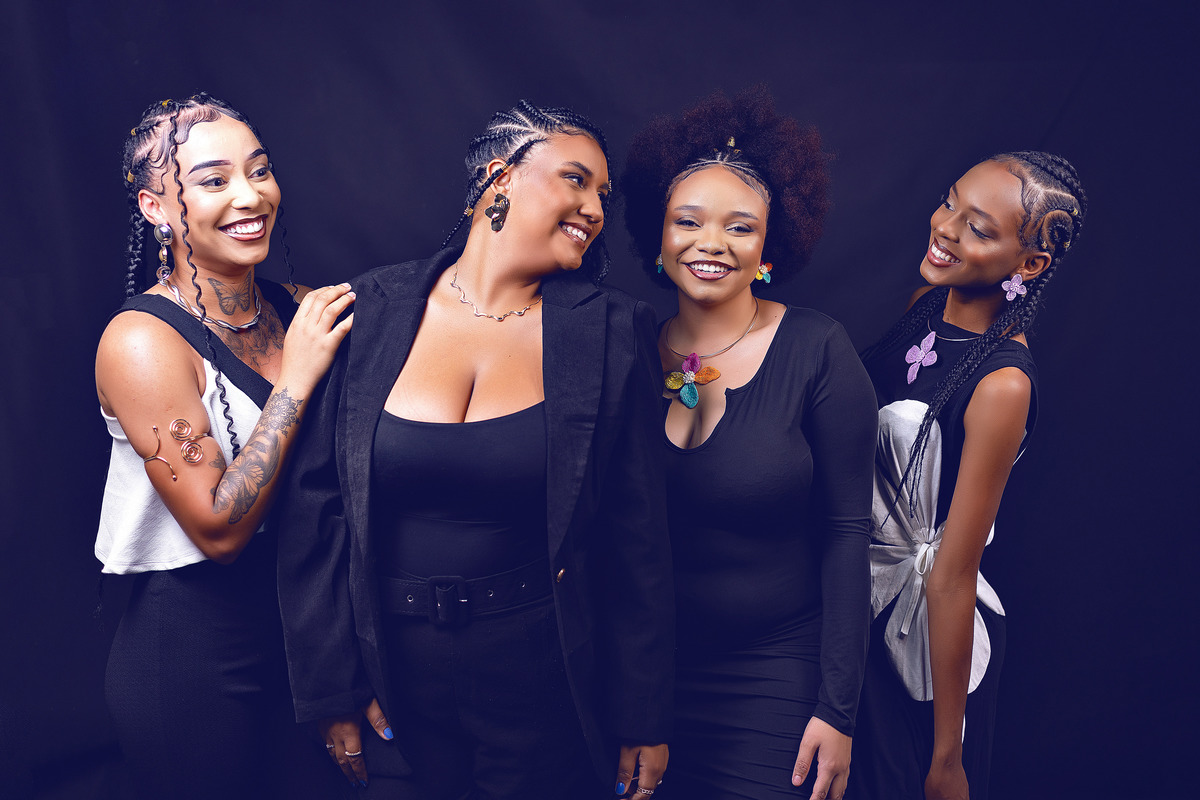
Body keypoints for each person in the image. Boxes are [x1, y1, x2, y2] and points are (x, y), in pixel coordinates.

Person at [276, 100, 674, 799]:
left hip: (540, 679)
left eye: (602, 195)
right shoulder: (371, 309)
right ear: (500, 177)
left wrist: (643, 714)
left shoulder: (611, 331)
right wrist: (330, 688)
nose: (593, 208)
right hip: (391, 682)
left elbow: (636, 535)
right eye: (575, 179)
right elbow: (317, 510)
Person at [621, 86, 877, 800]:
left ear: (769, 245)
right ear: (658, 236)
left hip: (775, 672)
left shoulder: (818, 349)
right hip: (642, 676)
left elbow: (848, 533)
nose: (711, 243)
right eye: (688, 221)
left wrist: (838, 709)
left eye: (740, 227)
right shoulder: (619, 347)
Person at [95, 93, 355, 798]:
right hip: (193, 656)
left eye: (260, 170)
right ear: (155, 208)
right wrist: (296, 379)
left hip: (308, 638)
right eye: (214, 180)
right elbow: (218, 527)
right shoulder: (142, 342)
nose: (251, 195)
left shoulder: (300, 310)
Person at [849, 152, 1087, 800]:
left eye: (977, 228)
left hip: (926, 643)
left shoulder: (1003, 384)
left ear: (1029, 265)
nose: (945, 227)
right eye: (949, 201)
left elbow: (951, 577)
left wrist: (947, 757)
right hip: (856, 606)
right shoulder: (926, 306)